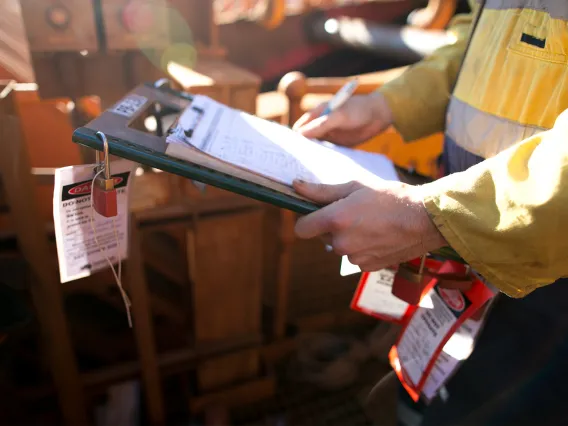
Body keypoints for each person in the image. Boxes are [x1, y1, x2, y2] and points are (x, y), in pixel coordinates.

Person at [292, 0, 568, 424]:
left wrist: (431, 216)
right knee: (429, 388)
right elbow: (478, 40)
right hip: (466, 235)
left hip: (547, 280)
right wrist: (386, 106)